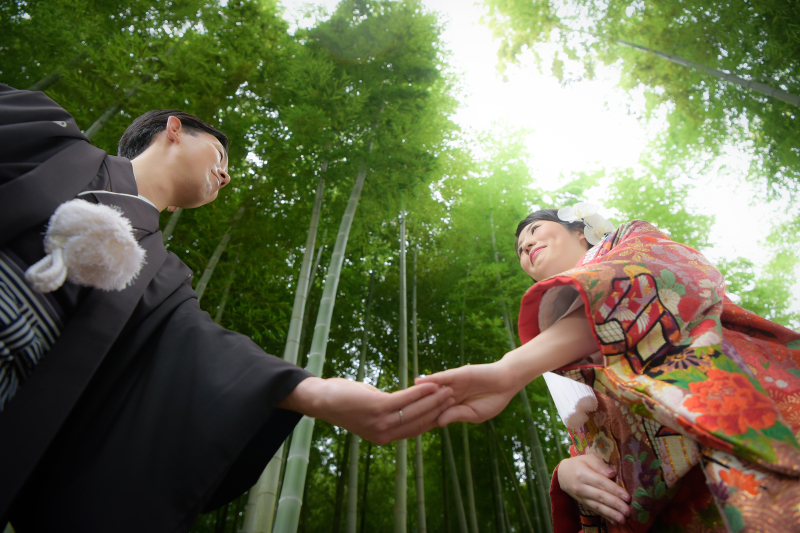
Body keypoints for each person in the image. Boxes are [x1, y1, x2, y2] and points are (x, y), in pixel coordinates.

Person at [0, 84, 454, 532]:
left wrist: (314, 393)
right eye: (220, 156)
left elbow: (198, 353)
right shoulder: (47, 133)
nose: (227, 175)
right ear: (173, 130)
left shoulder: (164, 278)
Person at [417, 206, 800, 532]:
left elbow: (661, 283)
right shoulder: (551, 358)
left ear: (580, 231)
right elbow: (590, 435)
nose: (527, 245)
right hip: (664, 506)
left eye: (534, 231)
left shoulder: (633, 241)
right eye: (520, 248)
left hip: (740, 415)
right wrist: (568, 473)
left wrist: (509, 370)